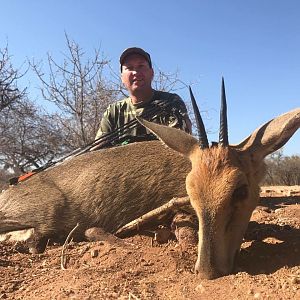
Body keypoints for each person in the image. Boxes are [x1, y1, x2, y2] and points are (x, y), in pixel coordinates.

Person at [94, 47, 192, 147]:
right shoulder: (113, 111)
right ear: (122, 78)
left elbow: (182, 146)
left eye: (141, 66)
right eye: (129, 68)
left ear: (152, 73)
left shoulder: (171, 102)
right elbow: (99, 152)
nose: (136, 72)